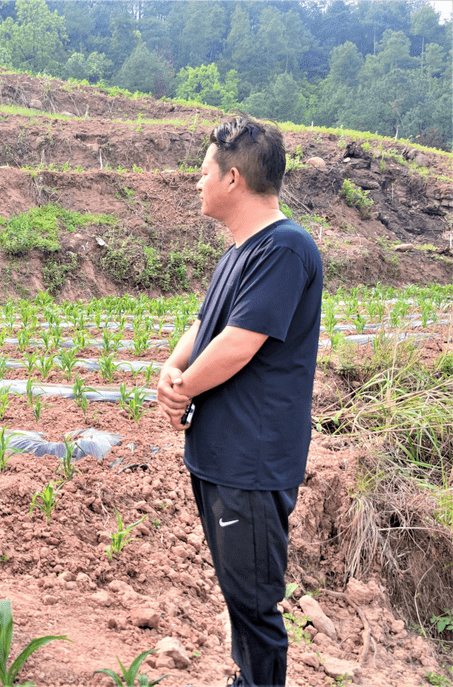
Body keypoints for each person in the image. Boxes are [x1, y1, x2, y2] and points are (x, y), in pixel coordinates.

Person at [156, 114, 323, 687]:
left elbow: (238, 344)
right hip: (221, 452)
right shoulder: (239, 251)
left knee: (254, 602)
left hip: (251, 460)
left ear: (232, 178)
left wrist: (181, 390)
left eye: (203, 172)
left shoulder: (285, 248)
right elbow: (206, 324)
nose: (196, 183)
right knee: (238, 591)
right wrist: (171, 369)